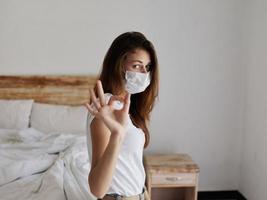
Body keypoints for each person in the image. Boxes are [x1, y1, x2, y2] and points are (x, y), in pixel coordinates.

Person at [84, 31, 159, 200]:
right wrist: (117, 134)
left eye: (147, 67)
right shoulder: (106, 108)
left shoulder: (127, 108)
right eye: (136, 66)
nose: (143, 74)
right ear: (118, 64)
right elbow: (97, 189)